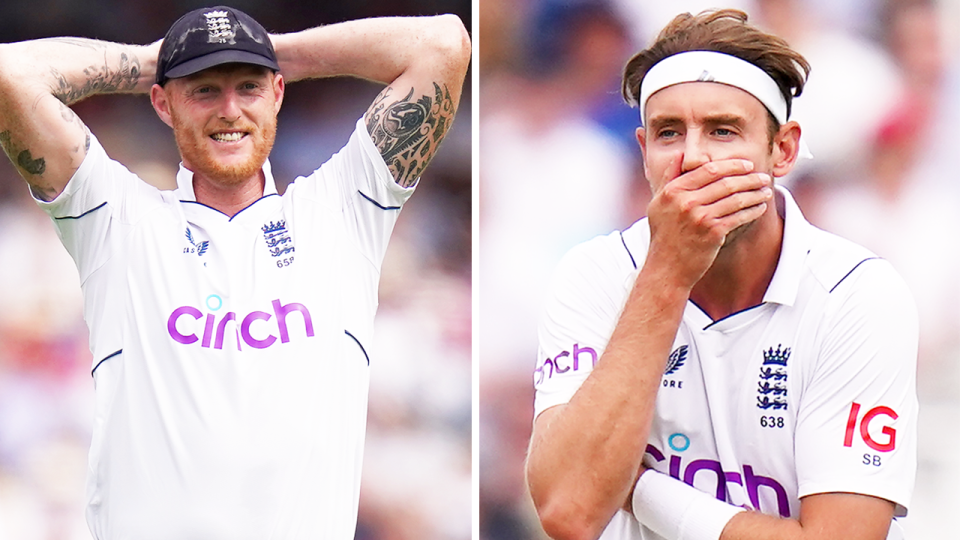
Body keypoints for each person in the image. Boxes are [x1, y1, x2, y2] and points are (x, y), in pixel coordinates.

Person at [0, 5, 470, 539]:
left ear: (278, 93)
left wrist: (275, 53)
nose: (229, 111)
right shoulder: (118, 221)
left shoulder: (342, 213)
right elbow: (10, 74)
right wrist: (155, 60)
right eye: (202, 90)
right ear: (163, 102)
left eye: (247, 87)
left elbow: (444, 44)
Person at [526, 9, 917, 540]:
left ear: (783, 150)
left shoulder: (858, 295)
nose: (693, 158)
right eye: (669, 133)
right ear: (643, 152)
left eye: (723, 131)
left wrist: (638, 488)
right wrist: (666, 273)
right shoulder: (593, 274)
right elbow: (567, 510)